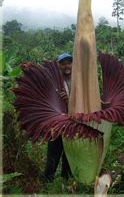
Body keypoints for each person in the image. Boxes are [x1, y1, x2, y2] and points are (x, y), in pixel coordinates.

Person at [42, 53, 73, 182]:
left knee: (69, 154)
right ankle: (47, 180)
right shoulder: (54, 81)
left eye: (69, 62)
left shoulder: (78, 81)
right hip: (56, 123)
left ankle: (66, 180)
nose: (66, 66)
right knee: (53, 153)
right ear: (58, 65)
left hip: (73, 122)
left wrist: (69, 99)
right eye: (62, 63)